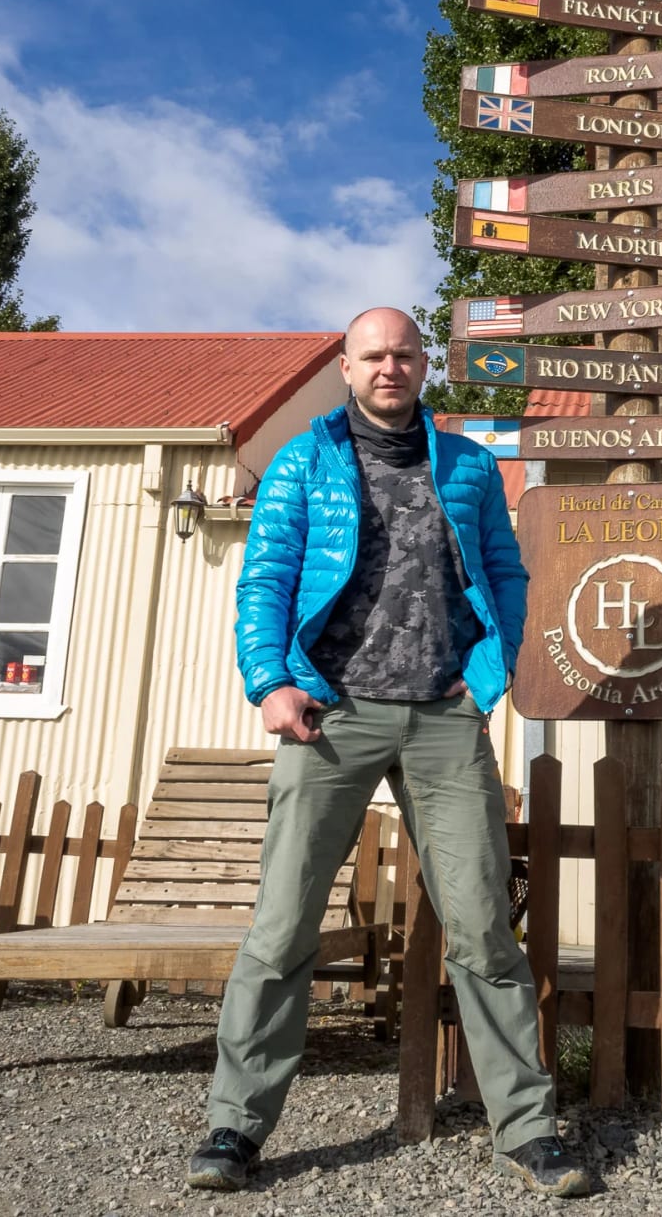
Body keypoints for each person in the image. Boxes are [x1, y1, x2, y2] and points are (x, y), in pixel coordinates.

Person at [188, 307, 589, 1198]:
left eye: (404, 353)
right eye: (372, 355)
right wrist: (270, 681)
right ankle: (234, 1124)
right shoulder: (304, 460)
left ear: (422, 366)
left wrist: (487, 676)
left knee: (483, 924)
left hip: (444, 716)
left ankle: (528, 1128)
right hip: (330, 715)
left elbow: (507, 575)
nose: (389, 367)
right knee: (283, 923)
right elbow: (265, 577)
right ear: (346, 366)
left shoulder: (470, 466)